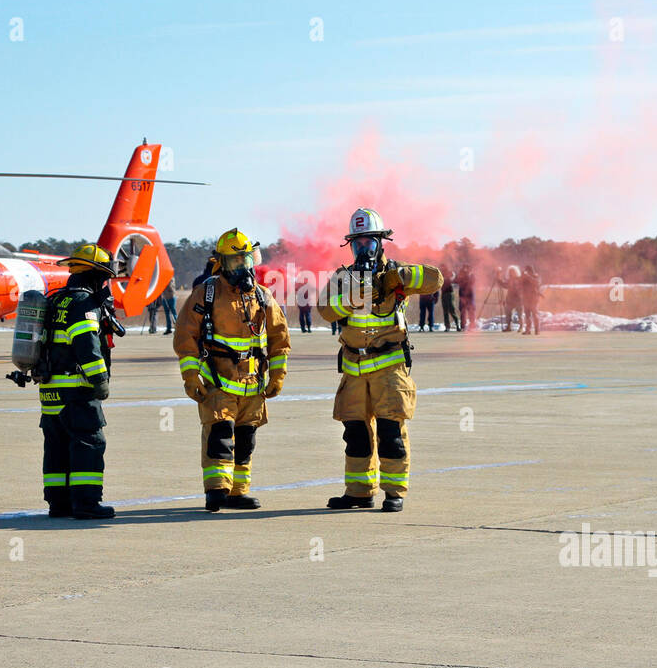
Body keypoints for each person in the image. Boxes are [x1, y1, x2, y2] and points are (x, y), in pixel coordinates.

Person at [316, 208, 441, 512]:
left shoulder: (395, 274)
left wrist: (400, 277)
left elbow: (435, 279)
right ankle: (359, 492)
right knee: (355, 434)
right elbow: (324, 308)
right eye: (358, 243)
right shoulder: (343, 278)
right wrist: (353, 296)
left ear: (382, 242)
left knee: (390, 433)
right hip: (354, 371)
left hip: (389, 368)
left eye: (369, 242)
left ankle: (394, 492)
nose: (364, 249)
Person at [174, 229, 290, 513]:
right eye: (235, 262)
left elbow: (279, 337)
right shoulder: (207, 292)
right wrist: (190, 376)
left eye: (246, 260)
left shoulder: (262, 296)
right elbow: (185, 335)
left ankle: (238, 492)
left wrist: (277, 375)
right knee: (220, 436)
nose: (243, 267)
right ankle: (216, 490)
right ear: (222, 263)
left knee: (246, 439)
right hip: (218, 381)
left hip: (253, 384)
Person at [38, 244, 115, 520]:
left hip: (50, 390)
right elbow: (87, 347)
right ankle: (86, 503)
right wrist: (100, 380)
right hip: (76, 390)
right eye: (104, 277)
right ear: (94, 275)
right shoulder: (84, 304)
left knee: (56, 446)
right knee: (89, 443)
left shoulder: (57, 300)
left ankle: (58, 504)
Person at [520, 265, 542, 335]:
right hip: (526, 298)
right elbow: (519, 285)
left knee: (535, 314)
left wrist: (528, 277)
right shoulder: (524, 278)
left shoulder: (536, 276)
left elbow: (537, 283)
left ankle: (537, 330)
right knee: (527, 315)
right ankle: (528, 330)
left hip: (534, 298)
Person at [456, 265, 475, 331]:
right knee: (463, 312)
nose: (465, 270)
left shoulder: (471, 275)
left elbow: (472, 282)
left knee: (471, 311)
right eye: (464, 268)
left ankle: (472, 326)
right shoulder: (460, 275)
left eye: (467, 268)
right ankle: (463, 326)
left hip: (470, 296)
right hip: (462, 296)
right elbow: (456, 280)